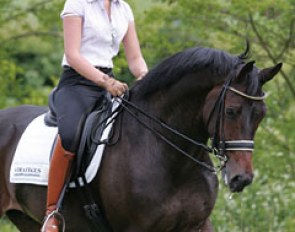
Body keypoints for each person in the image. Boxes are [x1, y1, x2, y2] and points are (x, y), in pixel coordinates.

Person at [41, 0, 148, 231]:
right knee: (70, 135)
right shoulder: (77, 3)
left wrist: (145, 77)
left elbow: (135, 58)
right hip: (77, 83)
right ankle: (52, 213)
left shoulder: (124, 9)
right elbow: (73, 54)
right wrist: (105, 81)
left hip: (110, 83)